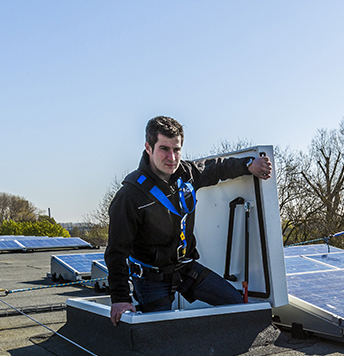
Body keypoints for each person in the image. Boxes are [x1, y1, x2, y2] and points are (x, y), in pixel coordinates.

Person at [105, 116, 273, 324]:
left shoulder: (187, 174)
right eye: (164, 149)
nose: (172, 157)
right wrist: (120, 299)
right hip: (150, 278)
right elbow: (116, 252)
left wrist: (248, 165)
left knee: (235, 305)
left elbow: (217, 168)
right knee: (160, 333)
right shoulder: (129, 196)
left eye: (176, 150)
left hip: (184, 268)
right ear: (148, 148)